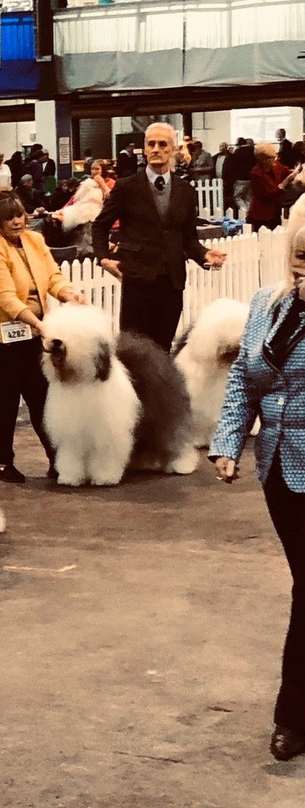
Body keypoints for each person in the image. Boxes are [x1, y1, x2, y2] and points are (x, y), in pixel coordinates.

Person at [210, 224, 305, 762]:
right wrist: (228, 444)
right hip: (278, 468)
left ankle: (291, 717)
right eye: (297, 253)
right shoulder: (266, 305)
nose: (300, 263)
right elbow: (246, 380)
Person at [0, 186, 85, 484]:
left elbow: (52, 275)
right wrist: (41, 325)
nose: (18, 222)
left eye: (20, 215)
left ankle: (56, 459)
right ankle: (4, 463)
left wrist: (67, 292)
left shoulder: (35, 240)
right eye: (10, 219)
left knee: (39, 394)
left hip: (30, 329)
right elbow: (7, 300)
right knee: (7, 395)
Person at [92, 122, 227, 351]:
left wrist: (204, 255)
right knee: (134, 352)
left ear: (172, 150)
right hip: (138, 282)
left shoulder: (185, 190)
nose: (156, 149)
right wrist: (103, 258)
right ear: (144, 149)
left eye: (162, 144)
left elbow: (188, 239)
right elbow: (99, 226)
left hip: (172, 283)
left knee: (163, 350)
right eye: (150, 144)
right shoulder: (127, 187)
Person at [248, 142, 298, 233]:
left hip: (275, 211)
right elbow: (268, 195)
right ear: (262, 159)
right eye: (271, 158)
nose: (275, 160)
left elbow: (285, 170)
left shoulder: (276, 165)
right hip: (261, 215)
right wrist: (284, 183)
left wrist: (296, 172)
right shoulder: (256, 173)